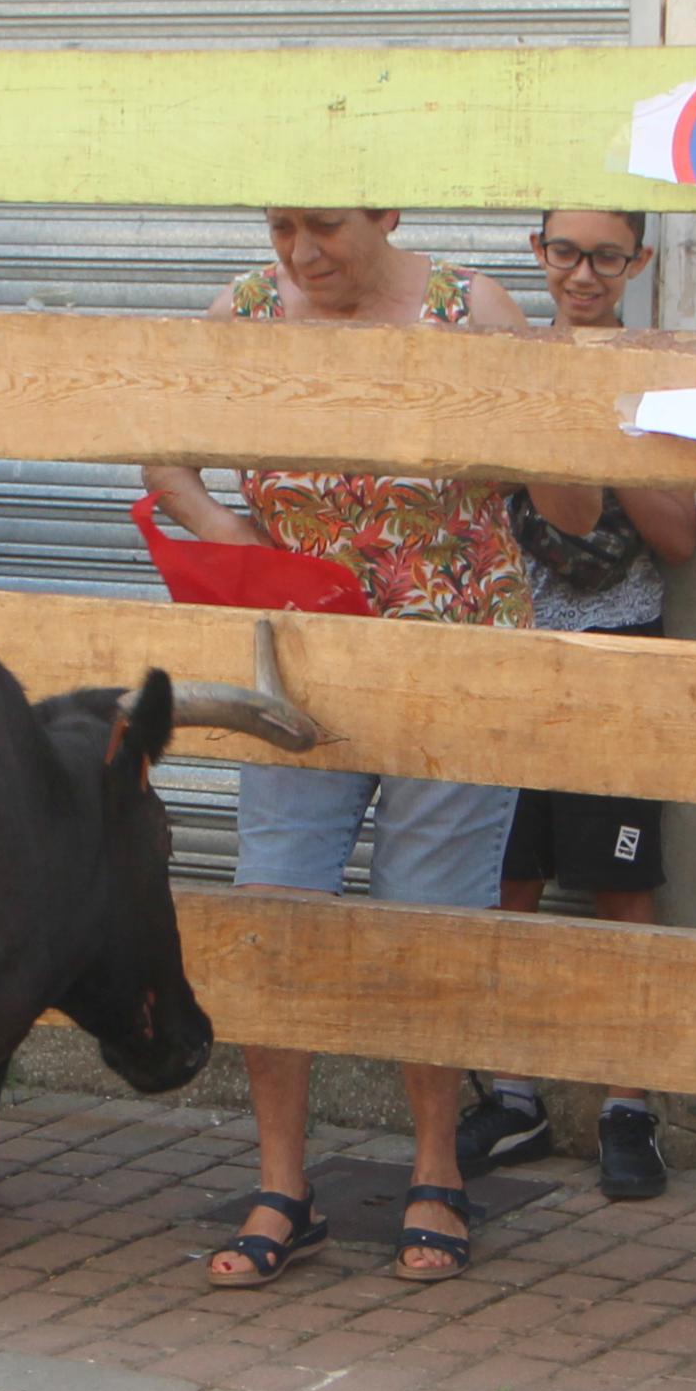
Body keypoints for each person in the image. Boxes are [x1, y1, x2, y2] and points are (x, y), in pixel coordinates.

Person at [145, 209, 527, 1286]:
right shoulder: (247, 311)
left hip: (453, 663)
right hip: (300, 667)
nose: (301, 253)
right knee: (278, 903)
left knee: (433, 913)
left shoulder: (470, 311)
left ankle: (436, 1171)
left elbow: (548, 470)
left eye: (326, 227)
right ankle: (281, 1183)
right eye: (280, 227)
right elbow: (164, 454)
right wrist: (242, 548)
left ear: (385, 212)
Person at [457, 208, 696, 1202]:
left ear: (637, 261)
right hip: (509, 647)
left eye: (605, 255)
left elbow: (678, 538)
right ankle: (510, 1094)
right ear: (536, 258)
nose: (583, 274)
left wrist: (603, 427)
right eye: (564, 253)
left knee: (618, 885)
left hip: (617, 655)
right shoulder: (505, 360)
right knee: (505, 876)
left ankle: (625, 1104)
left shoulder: (659, 373)